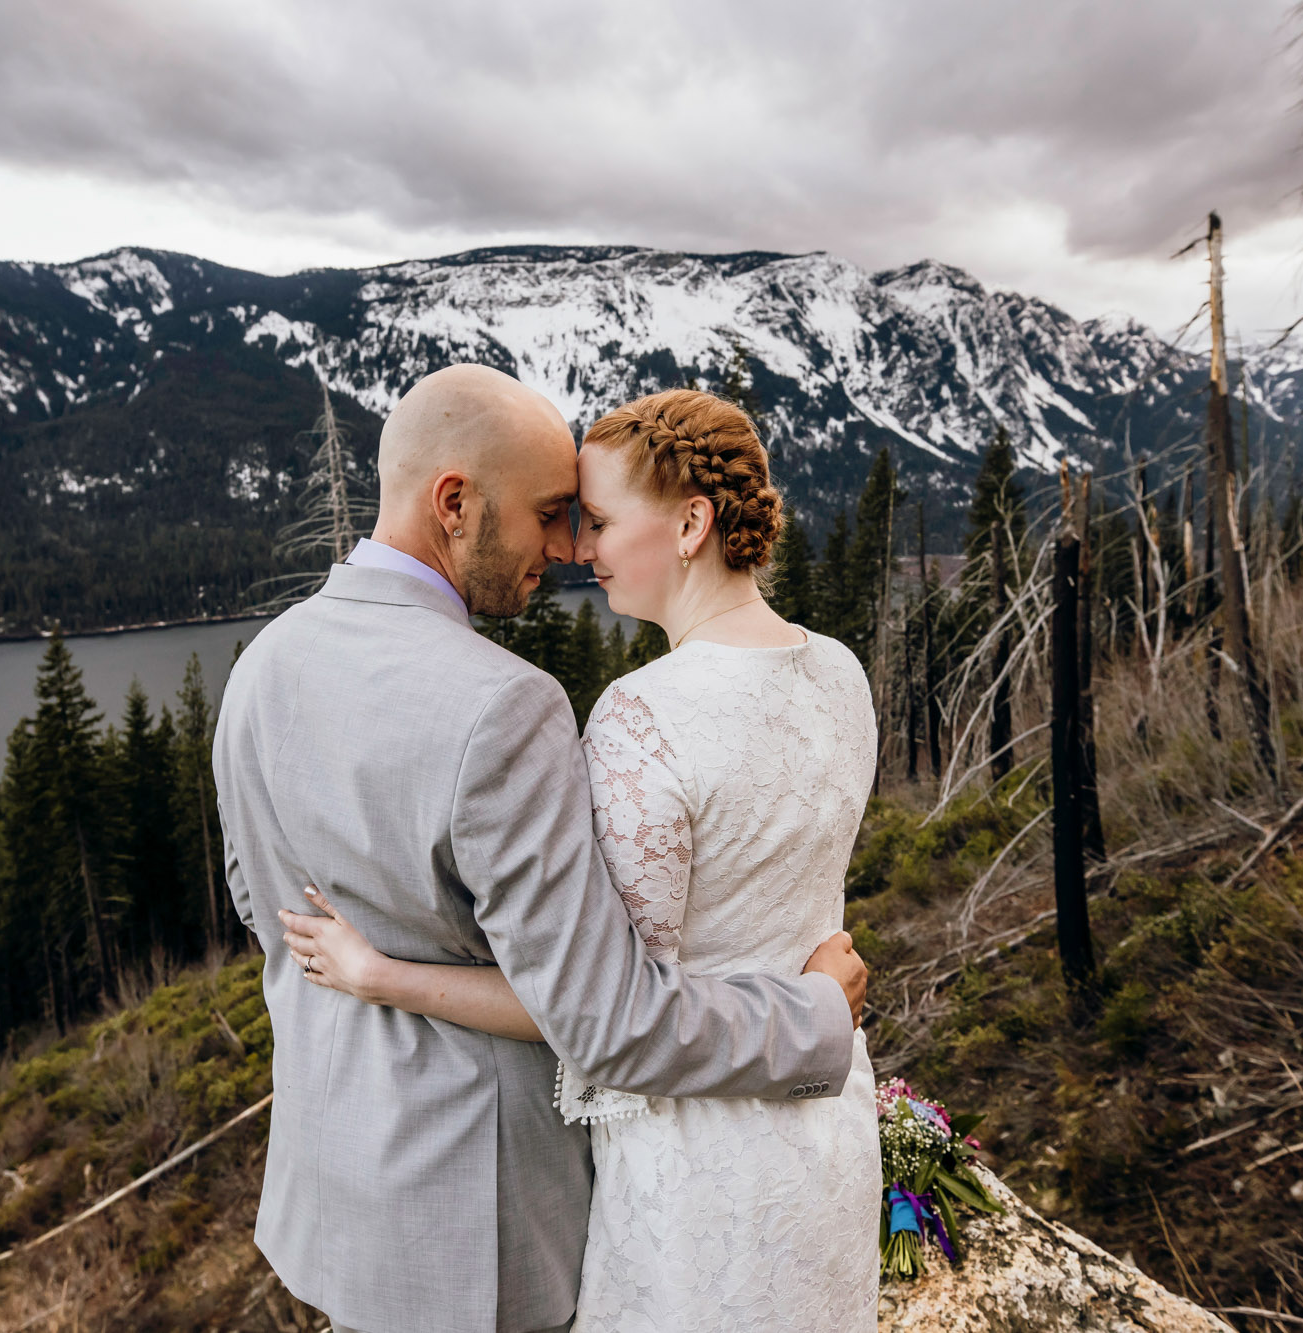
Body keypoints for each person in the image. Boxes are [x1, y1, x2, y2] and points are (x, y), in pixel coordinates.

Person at [213, 365, 868, 1333]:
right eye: (552, 513)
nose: (564, 550)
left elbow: (254, 897)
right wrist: (815, 1017)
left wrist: (375, 970)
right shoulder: (502, 705)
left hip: (335, 1195)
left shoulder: (263, 661)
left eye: (585, 520)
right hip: (485, 1221)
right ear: (453, 503)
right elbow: (605, 1015)